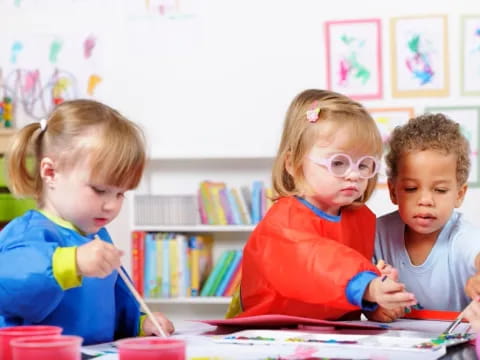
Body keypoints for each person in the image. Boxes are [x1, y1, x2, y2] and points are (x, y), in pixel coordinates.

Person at [227, 89, 416, 321]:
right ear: (294, 163)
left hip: (332, 336)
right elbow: (315, 263)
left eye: (364, 164)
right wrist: (367, 284)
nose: (354, 175)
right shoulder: (283, 222)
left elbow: (339, 293)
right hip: (272, 333)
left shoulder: (360, 218)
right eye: (338, 162)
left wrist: (375, 303)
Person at [0, 99, 173, 345]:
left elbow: (118, 301)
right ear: (50, 173)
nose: (112, 205)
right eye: (100, 190)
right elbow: (10, 285)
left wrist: (140, 323)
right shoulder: (29, 232)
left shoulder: (97, 235)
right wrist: (72, 262)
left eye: (120, 193)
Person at [375, 113, 480, 314]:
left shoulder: (460, 236)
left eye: (440, 190)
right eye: (411, 188)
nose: (425, 200)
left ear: (459, 194)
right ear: (392, 191)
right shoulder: (377, 233)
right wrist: (373, 307)